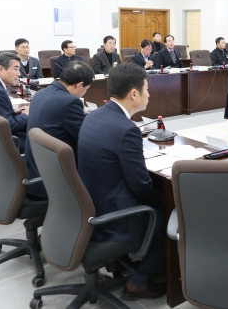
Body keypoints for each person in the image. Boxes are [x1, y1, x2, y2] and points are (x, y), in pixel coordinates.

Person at [78, 63, 165, 299]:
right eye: (147, 88)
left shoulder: (94, 115)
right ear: (134, 93)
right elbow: (140, 185)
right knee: (170, 218)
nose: (150, 94)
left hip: (91, 205)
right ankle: (138, 282)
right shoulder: (127, 129)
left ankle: (122, 264)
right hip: (113, 218)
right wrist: (158, 203)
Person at [24, 61, 94, 199]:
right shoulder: (70, 102)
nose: (85, 92)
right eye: (87, 88)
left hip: (35, 171)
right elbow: (87, 140)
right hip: (54, 181)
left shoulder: (40, 93)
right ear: (79, 85)